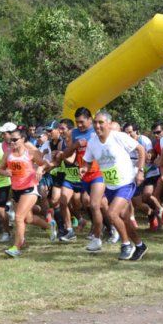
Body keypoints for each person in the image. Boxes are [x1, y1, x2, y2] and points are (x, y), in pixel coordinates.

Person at [82, 110, 148, 260]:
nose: (97, 126)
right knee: (124, 218)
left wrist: (140, 171)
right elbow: (88, 160)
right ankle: (139, 245)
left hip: (126, 182)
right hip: (110, 186)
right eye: (95, 123)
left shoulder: (119, 137)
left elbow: (141, 149)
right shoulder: (92, 142)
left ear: (109, 124)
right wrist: (85, 168)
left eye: (101, 123)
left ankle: (126, 245)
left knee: (112, 214)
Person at [54, 108, 106, 252]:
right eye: (77, 122)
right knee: (66, 201)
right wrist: (75, 146)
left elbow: (104, 149)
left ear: (90, 119)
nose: (80, 125)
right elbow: (68, 153)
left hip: (98, 172)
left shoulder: (97, 131)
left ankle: (103, 231)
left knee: (96, 205)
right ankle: (70, 231)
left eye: (82, 122)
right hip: (81, 173)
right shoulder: (74, 133)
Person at [0, 130, 53, 257]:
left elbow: (46, 164)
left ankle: (17, 247)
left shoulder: (30, 153)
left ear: (23, 139)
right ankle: (49, 227)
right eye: (10, 140)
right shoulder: (8, 154)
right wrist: (5, 173)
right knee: (28, 219)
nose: (11, 142)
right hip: (16, 190)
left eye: (15, 140)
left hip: (30, 188)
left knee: (18, 217)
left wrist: (40, 168)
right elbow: (0, 169)